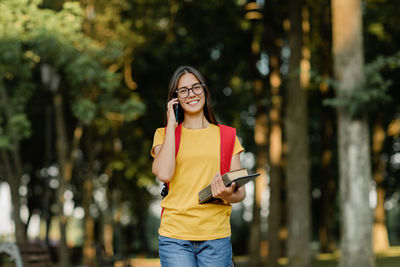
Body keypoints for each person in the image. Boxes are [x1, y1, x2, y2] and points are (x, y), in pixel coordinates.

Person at [151, 66, 245, 267]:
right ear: (175, 98)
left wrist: (224, 194)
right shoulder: (164, 135)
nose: (191, 94)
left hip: (216, 237)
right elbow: (164, 173)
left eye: (196, 87)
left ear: (204, 91)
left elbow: (240, 193)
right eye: (183, 90)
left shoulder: (227, 136)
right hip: (175, 236)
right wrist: (171, 124)